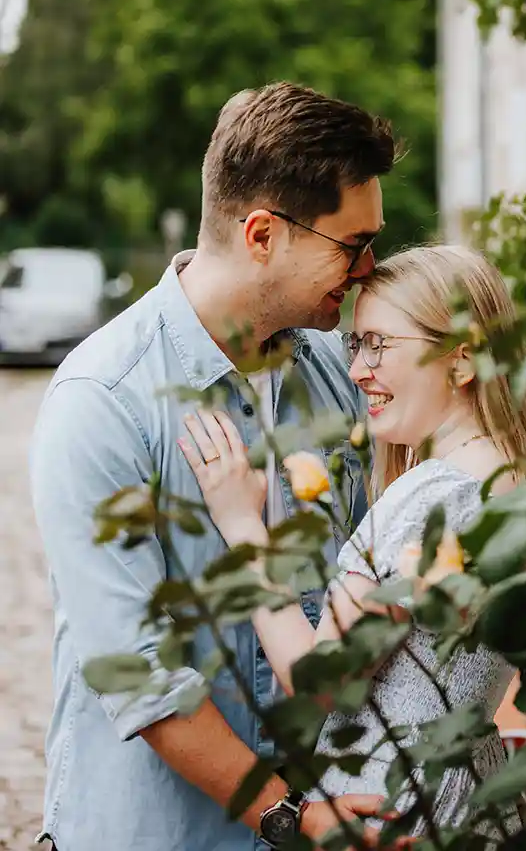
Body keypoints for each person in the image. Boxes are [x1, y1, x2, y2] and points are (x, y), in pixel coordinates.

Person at [29, 82, 397, 851]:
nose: (368, 270)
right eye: (352, 245)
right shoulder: (107, 400)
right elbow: (138, 675)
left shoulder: (342, 375)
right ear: (263, 234)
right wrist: (291, 816)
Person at [179, 244, 526, 840]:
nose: (356, 370)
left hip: (391, 807)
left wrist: (244, 528)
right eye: (355, 343)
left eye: (379, 344)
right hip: (471, 798)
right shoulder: (511, 480)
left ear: (463, 360)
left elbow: (319, 680)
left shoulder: (430, 498)